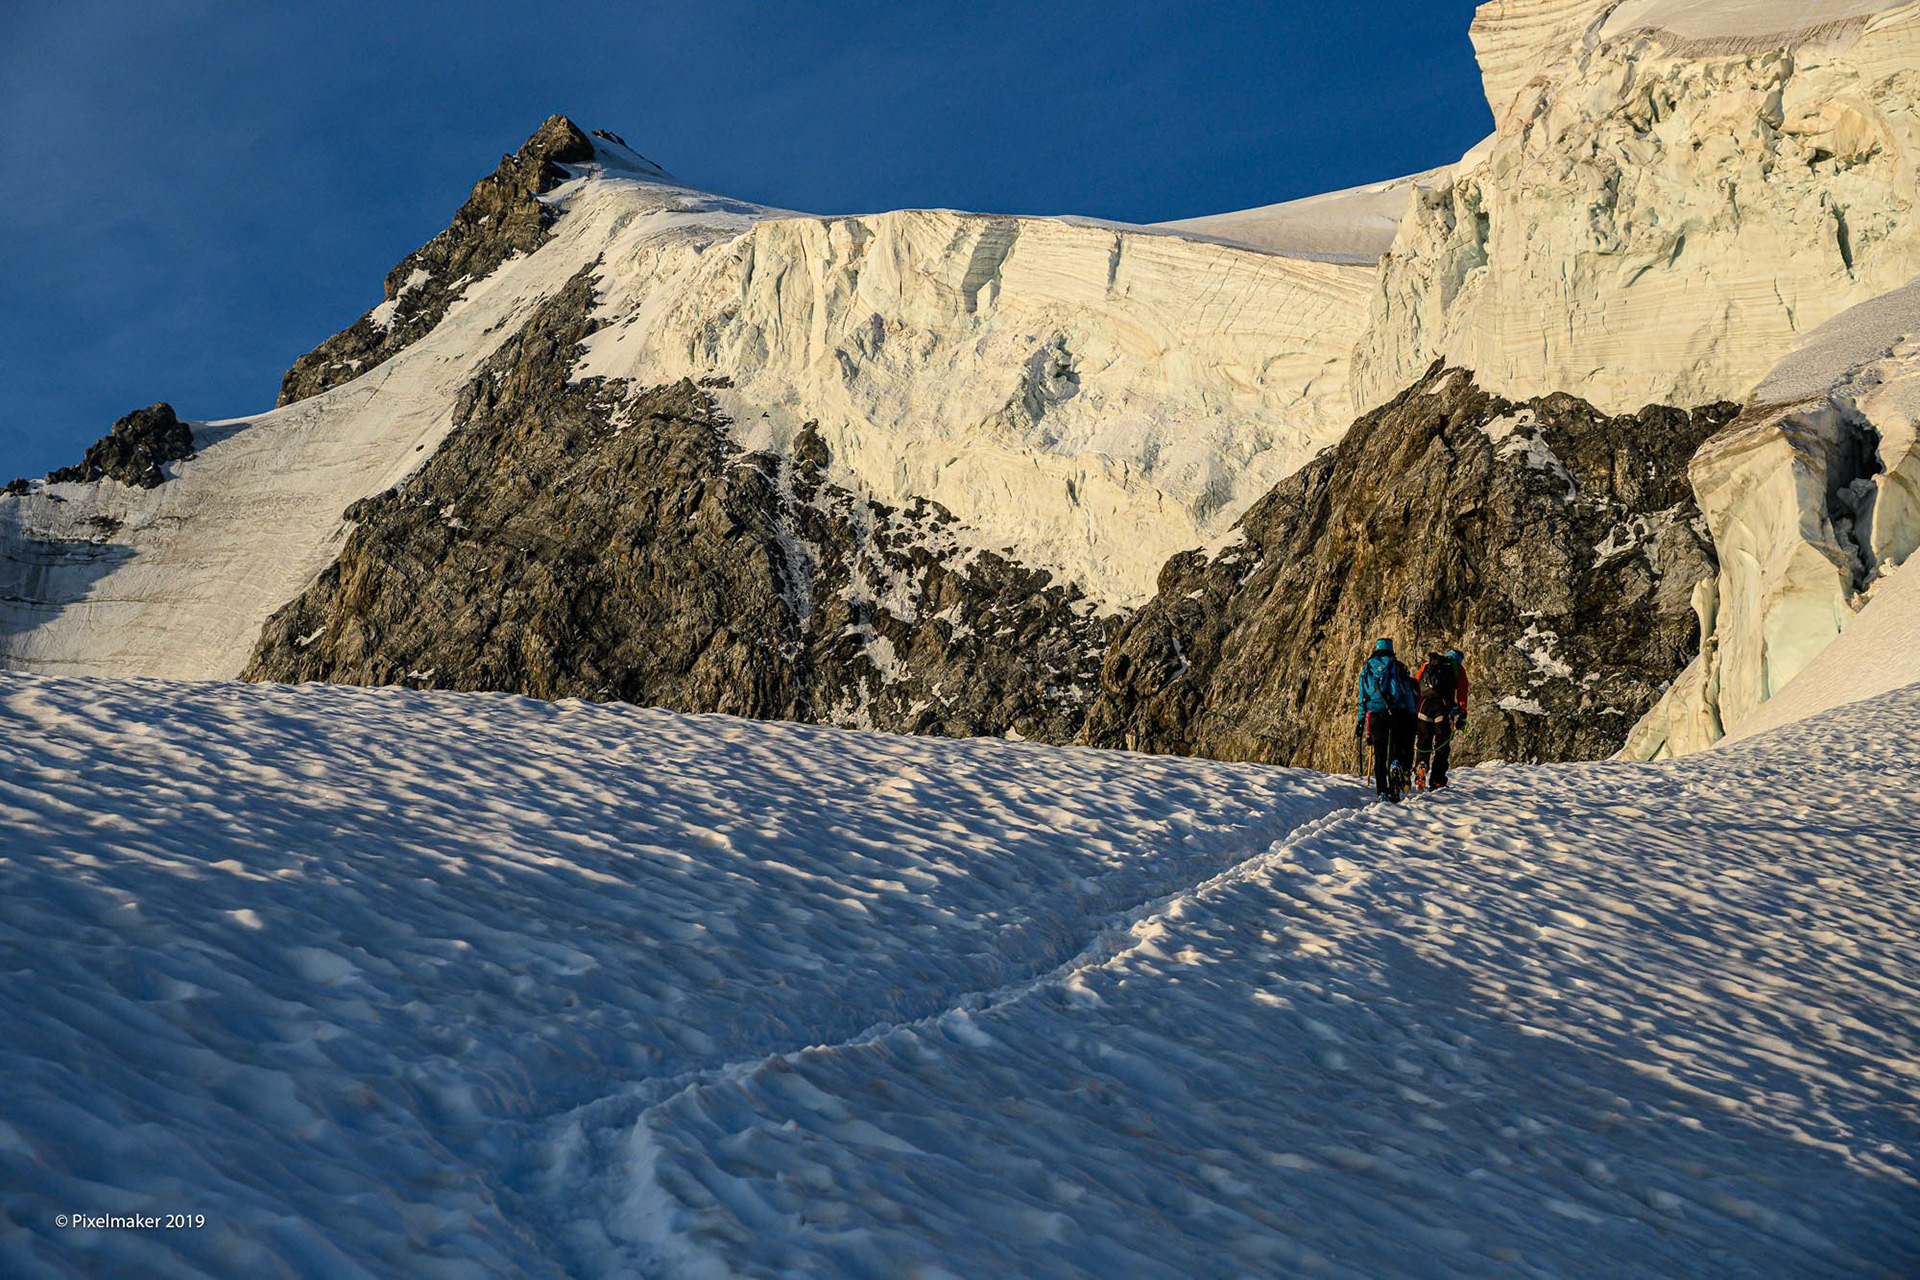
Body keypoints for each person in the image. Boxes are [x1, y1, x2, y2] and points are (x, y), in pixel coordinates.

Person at [1354, 638, 1417, 800]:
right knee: (1394, 750)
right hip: (1395, 713)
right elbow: (1407, 694)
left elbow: (1362, 698)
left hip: (1375, 715)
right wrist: (1412, 714)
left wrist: (1361, 720)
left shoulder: (1367, 668)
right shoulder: (1397, 666)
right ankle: (1394, 787)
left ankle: (1382, 791)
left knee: (1380, 754)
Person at [1413, 647, 1469, 791]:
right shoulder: (1457, 668)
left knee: (1423, 741)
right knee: (1441, 745)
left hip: (1424, 707)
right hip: (1443, 708)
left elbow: (1416, 685)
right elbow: (1462, 692)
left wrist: (1414, 708)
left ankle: (1421, 766)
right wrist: (1462, 713)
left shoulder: (1428, 664)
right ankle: (1437, 780)